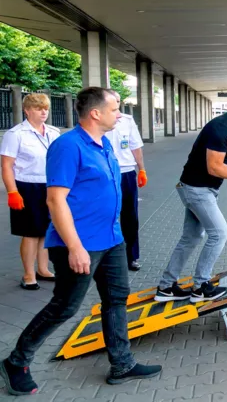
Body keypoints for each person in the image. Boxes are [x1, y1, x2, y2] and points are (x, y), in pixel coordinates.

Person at [0, 87, 161, 396]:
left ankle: (122, 364)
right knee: (65, 306)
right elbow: (55, 200)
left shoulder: (104, 144)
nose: (120, 114)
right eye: (115, 109)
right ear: (95, 113)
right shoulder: (68, 146)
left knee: (116, 298)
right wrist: (74, 246)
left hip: (111, 238)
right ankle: (16, 361)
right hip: (80, 243)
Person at [154, 90, 227, 303]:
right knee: (219, 233)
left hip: (201, 188)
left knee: (191, 237)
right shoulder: (219, 128)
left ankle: (166, 288)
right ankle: (201, 287)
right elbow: (214, 167)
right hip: (197, 188)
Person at [0, 93, 59, 290]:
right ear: (27, 110)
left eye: (46, 108)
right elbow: (7, 166)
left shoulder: (53, 131)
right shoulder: (16, 134)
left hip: (49, 185)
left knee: (45, 231)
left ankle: (43, 269)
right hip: (27, 186)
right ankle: (28, 274)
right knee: (30, 233)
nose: (44, 112)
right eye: (38, 108)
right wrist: (12, 192)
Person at [105, 91, 147, 271]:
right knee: (107, 215)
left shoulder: (127, 121)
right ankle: (106, 257)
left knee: (130, 217)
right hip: (106, 175)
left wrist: (141, 169)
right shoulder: (99, 122)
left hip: (127, 172)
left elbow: (135, 146)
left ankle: (131, 256)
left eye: (118, 102)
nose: (117, 106)